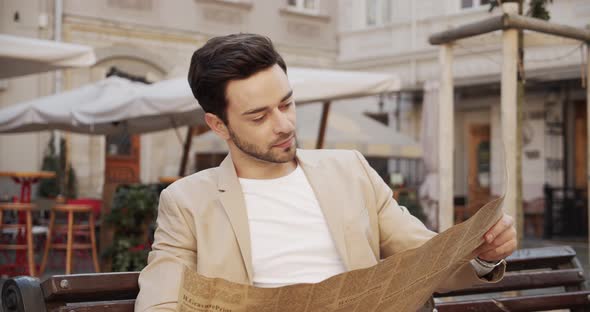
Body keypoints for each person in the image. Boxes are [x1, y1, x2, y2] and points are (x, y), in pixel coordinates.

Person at [135, 33, 517, 311]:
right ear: (218, 126)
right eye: (259, 116)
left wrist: (482, 256)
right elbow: (160, 298)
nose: (284, 125)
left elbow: (428, 260)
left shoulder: (350, 170)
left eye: (286, 104)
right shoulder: (186, 201)